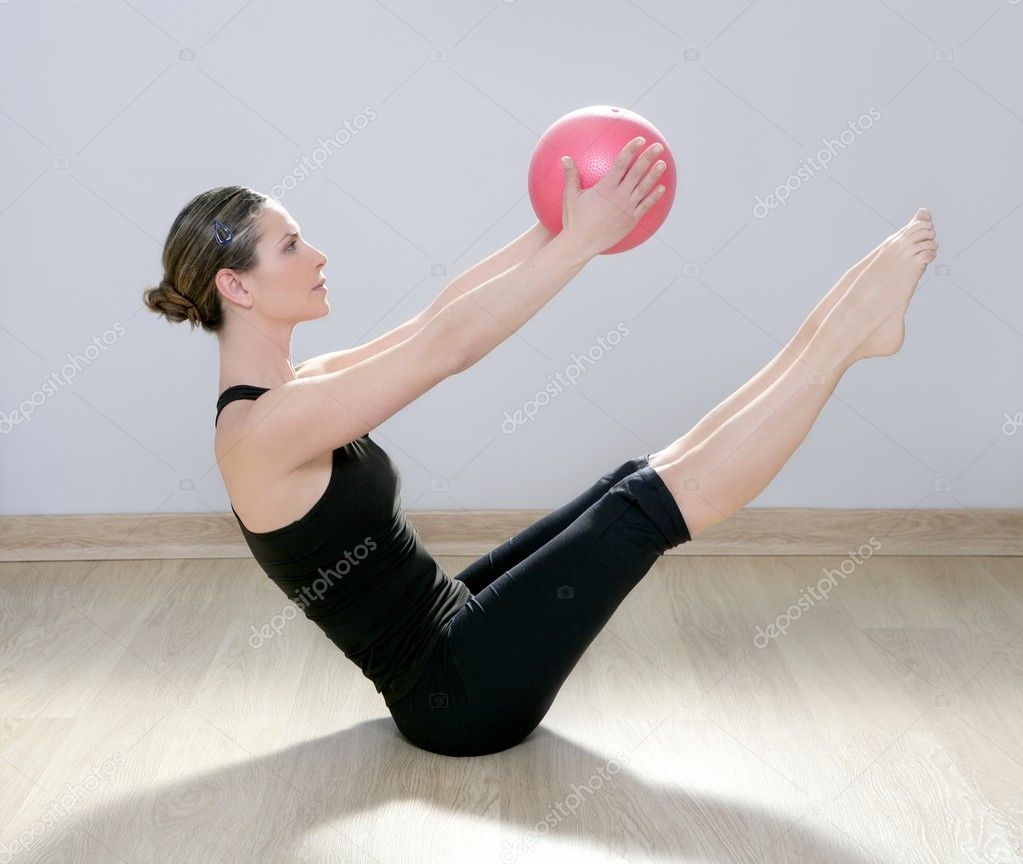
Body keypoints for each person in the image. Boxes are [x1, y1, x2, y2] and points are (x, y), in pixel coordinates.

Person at [143, 140, 938, 756]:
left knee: (623, 484)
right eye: (290, 247)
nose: (318, 257)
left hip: (451, 627)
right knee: (638, 513)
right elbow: (449, 349)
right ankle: (843, 338)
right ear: (235, 287)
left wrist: (551, 226)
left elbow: (434, 318)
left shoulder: (295, 387)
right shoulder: (259, 434)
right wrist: (580, 246)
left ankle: (847, 330)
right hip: (455, 701)